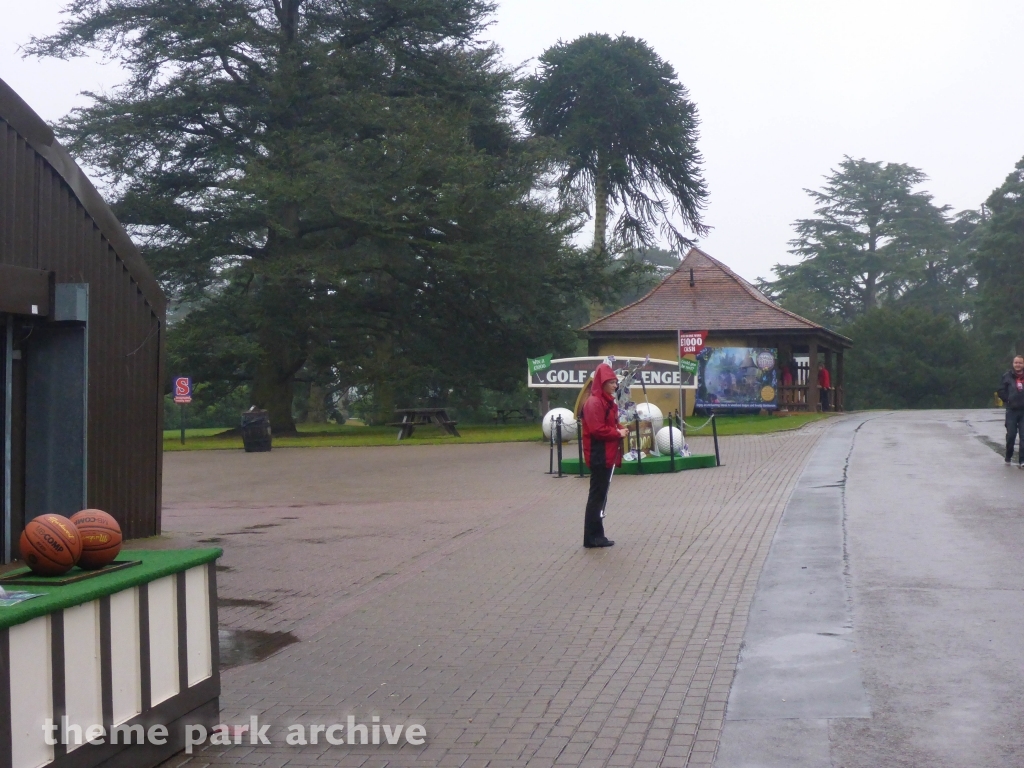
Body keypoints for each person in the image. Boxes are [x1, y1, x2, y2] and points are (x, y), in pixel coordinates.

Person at [581, 363, 629, 548]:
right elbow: (597, 429)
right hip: (599, 454)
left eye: (615, 382)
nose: (615, 386)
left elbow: (606, 424)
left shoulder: (605, 401)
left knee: (600, 495)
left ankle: (596, 535)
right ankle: (592, 537)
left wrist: (618, 428)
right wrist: (617, 433)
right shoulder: (594, 403)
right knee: (597, 496)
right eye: (611, 383)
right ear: (602, 383)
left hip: (605, 453)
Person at [998, 355, 1024, 466]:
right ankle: (1008, 455)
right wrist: (1007, 400)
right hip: (1011, 410)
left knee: (1023, 436)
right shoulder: (1007, 376)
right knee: (1011, 435)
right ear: (1013, 364)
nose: (1018, 365)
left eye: (1020, 363)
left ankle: (1022, 460)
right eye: (1016, 362)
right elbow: (1001, 390)